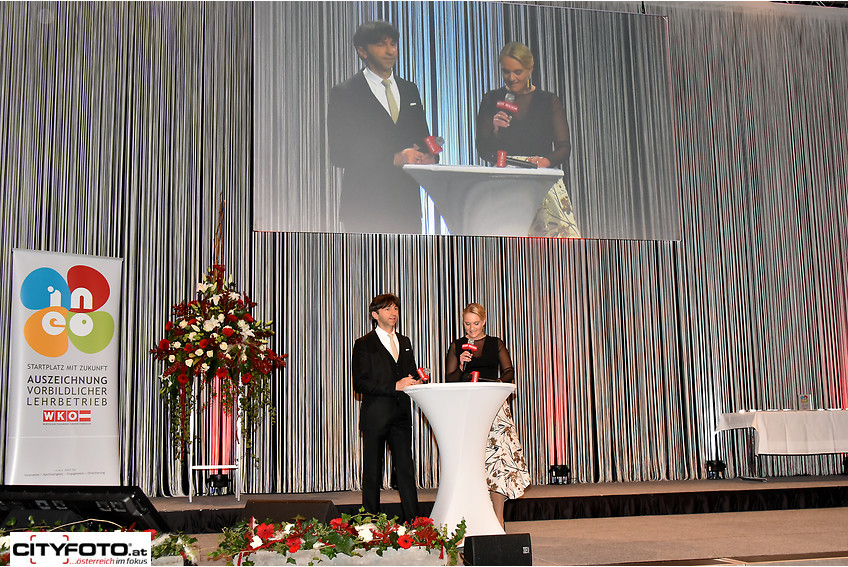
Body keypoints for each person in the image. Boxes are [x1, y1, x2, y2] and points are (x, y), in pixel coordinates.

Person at [328, 20, 437, 234]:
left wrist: (431, 154)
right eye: (381, 44)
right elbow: (339, 153)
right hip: (364, 205)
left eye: (393, 44)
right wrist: (394, 158)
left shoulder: (410, 89)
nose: (390, 51)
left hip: (406, 204)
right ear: (362, 51)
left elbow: (423, 135)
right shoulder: (345, 93)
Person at [476, 42, 581, 238]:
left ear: (530, 69)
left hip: (540, 179)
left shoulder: (548, 100)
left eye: (518, 72)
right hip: (505, 180)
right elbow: (483, 149)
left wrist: (546, 161)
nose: (511, 78)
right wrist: (496, 131)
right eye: (506, 71)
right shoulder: (491, 99)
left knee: (556, 246)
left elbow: (564, 147)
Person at [445, 303, 530, 529]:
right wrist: (461, 364)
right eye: (467, 324)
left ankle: (498, 519)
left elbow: (509, 372)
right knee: (472, 462)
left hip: (493, 406)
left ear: (483, 322)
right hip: (467, 407)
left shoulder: (495, 343)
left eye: (476, 323)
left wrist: (498, 384)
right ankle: (471, 517)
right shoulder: (456, 346)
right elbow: (450, 379)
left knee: (497, 462)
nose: (471, 328)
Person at [352, 293, 424, 522]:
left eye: (395, 308)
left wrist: (418, 380)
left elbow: (409, 372)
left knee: (406, 470)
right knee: (372, 472)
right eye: (387, 309)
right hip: (376, 416)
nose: (393, 313)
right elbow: (360, 383)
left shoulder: (405, 341)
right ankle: (369, 523)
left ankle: (414, 522)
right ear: (375, 315)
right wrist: (395, 386)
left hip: (401, 415)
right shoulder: (364, 344)